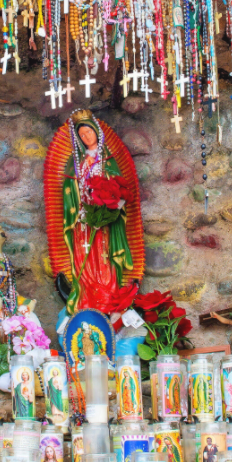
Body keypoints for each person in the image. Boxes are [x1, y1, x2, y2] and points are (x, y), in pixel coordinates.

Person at [46, 109, 142, 314]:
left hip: (105, 220)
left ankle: (107, 297)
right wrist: (80, 196)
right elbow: (69, 188)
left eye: (89, 132)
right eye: (82, 135)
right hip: (83, 220)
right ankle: (86, 297)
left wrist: (110, 203)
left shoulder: (108, 160)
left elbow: (119, 187)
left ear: (96, 132)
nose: (86, 137)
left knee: (105, 257)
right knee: (84, 256)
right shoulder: (75, 163)